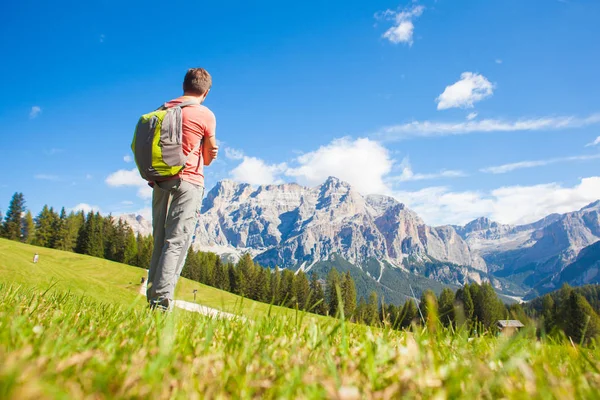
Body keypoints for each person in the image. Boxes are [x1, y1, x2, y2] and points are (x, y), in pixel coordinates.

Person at [146, 68, 218, 311]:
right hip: (189, 182)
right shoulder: (205, 114)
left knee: (159, 240)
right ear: (206, 92)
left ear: (184, 86)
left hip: (161, 181)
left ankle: (153, 299)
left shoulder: (163, 110)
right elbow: (207, 158)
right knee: (176, 242)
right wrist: (211, 150)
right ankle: (160, 304)